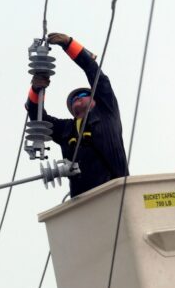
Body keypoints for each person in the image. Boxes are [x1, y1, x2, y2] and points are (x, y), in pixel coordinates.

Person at [25, 32, 128, 197]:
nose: (76, 100)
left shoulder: (107, 112)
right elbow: (36, 117)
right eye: (72, 100)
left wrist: (69, 44)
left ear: (95, 99)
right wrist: (36, 89)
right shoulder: (66, 129)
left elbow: (95, 73)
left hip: (115, 191)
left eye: (82, 96)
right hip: (82, 202)